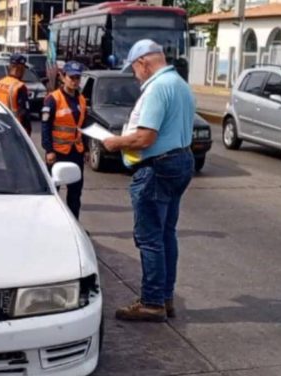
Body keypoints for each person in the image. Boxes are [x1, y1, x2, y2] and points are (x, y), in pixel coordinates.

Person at [102, 39, 195, 322]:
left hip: (158, 166)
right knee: (166, 234)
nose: (134, 74)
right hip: (181, 160)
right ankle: (165, 297)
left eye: (134, 68)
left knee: (150, 237)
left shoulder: (157, 88)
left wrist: (114, 142)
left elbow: (145, 137)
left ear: (143, 62)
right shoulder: (180, 84)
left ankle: (152, 301)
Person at [41, 61, 89, 219]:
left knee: (75, 193)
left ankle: (74, 224)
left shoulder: (81, 99)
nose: (75, 81)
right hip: (57, 153)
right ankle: (47, 222)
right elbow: (45, 126)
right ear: (62, 77)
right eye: (72, 77)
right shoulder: (53, 99)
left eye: (77, 78)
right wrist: (48, 150)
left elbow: (82, 126)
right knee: (52, 192)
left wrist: (86, 148)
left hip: (76, 152)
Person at [0, 53, 32, 134]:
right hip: (14, 129)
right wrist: (28, 131)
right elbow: (24, 113)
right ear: (20, 68)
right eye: (23, 69)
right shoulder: (19, 87)